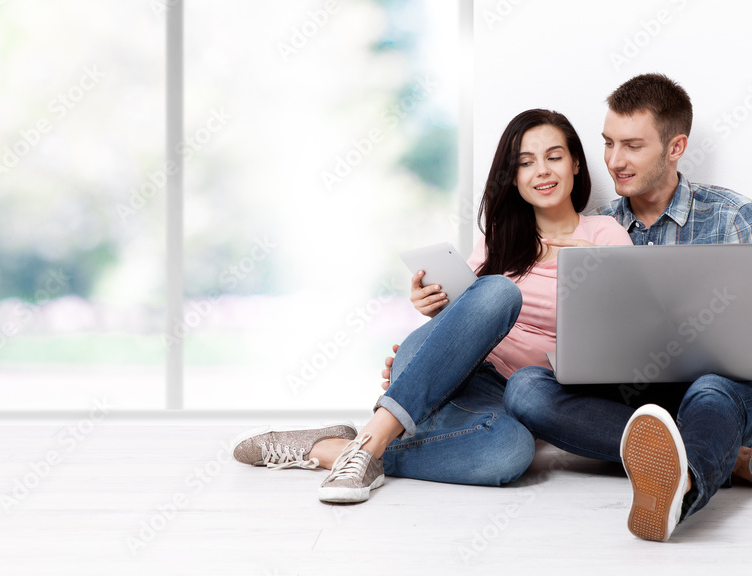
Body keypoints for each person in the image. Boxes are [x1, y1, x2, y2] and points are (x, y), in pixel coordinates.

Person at [231, 109, 632, 503]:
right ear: (513, 177)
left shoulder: (604, 235)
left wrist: (597, 270)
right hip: (459, 372)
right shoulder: (499, 240)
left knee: (512, 452)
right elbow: (472, 315)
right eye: (526, 163)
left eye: (554, 157)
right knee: (498, 293)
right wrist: (435, 308)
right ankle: (380, 433)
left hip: (512, 397)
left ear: (576, 163)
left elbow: (625, 337)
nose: (541, 171)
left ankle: (339, 447)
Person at [501, 73, 752, 542]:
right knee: (526, 389)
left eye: (632, 146)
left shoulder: (732, 215)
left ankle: (682, 485)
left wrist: (702, 321)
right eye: (608, 144)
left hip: (730, 391)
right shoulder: (598, 228)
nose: (614, 161)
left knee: (710, 387)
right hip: (636, 395)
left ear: (675, 147)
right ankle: (736, 461)